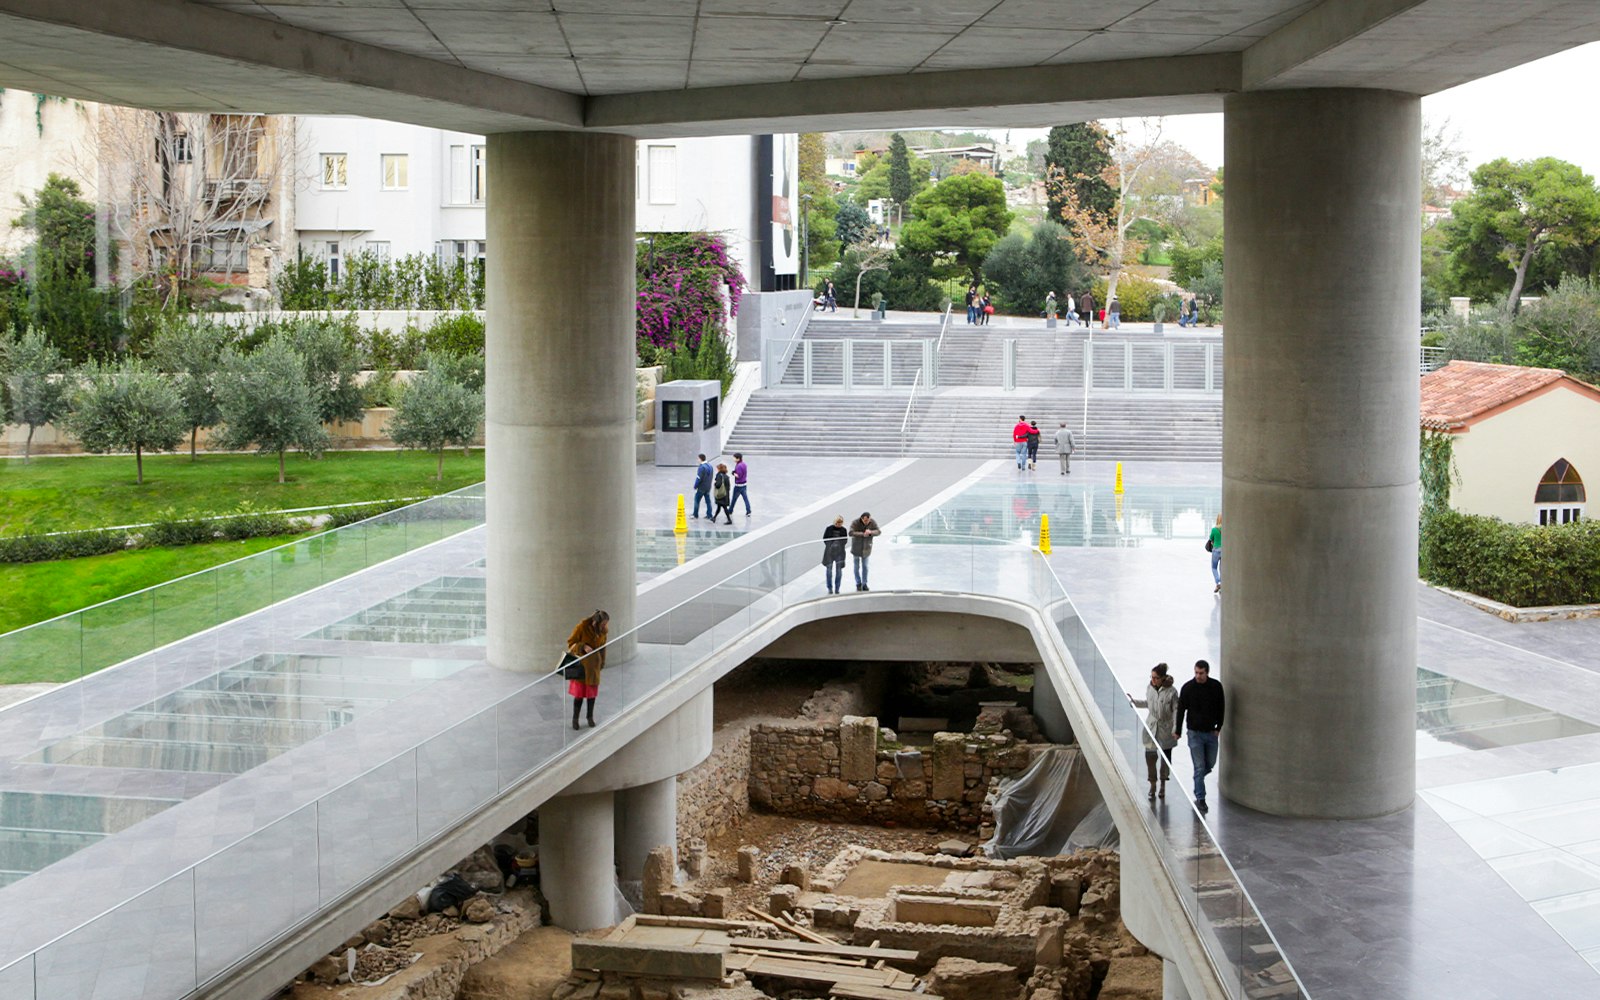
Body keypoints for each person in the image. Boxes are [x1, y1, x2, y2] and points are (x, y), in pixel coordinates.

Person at [1175, 659, 1224, 813]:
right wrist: (1178, 730)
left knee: (1210, 763)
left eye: (1201, 673)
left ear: (1207, 672)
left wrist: (1218, 728)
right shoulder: (1188, 688)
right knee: (1199, 766)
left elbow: (1221, 707)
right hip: (1194, 734)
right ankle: (1201, 798)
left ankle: (1198, 778)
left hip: (1211, 733)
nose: (1198, 676)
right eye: (1196, 672)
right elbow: (1181, 710)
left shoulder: (1216, 687)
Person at [566, 609, 609, 729]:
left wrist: (602, 663)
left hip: (594, 667)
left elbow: (603, 648)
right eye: (603, 624)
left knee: (591, 695)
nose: (605, 626)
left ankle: (590, 717)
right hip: (581, 666)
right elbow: (571, 642)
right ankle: (575, 719)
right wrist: (583, 646)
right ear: (596, 622)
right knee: (579, 695)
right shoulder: (582, 627)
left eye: (606, 624)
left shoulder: (603, 631)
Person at [1144, 663, 1179, 800]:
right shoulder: (1150, 688)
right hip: (1151, 727)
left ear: (1163, 678)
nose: (1153, 680)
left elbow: (1176, 711)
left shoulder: (1172, 692)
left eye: (1156, 678)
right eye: (1152, 677)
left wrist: (1176, 728)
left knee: (1165, 760)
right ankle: (1152, 784)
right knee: (1150, 758)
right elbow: (1148, 704)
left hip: (1166, 730)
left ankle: (1163, 785)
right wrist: (1134, 702)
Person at [849, 511, 880, 591]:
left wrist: (870, 532)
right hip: (856, 548)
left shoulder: (872, 522)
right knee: (856, 567)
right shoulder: (855, 522)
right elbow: (851, 532)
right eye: (865, 520)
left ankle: (864, 583)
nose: (867, 522)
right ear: (862, 519)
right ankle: (858, 583)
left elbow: (878, 531)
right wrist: (863, 534)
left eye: (868, 520)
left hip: (866, 549)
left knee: (865, 567)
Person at [821, 515, 848, 594]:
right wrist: (831, 546)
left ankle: (837, 588)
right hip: (829, 553)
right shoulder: (829, 528)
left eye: (840, 523)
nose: (839, 524)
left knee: (839, 571)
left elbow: (845, 541)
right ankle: (830, 588)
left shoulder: (843, 530)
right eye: (837, 523)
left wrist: (838, 545)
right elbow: (825, 539)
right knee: (829, 571)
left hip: (839, 553)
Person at [691, 454, 713, 519]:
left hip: (701, 487)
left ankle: (695, 514)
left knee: (697, 500)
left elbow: (698, 478)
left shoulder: (701, 467)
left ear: (700, 459)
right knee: (708, 501)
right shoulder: (710, 466)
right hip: (708, 487)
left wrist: (695, 486)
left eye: (698, 458)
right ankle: (709, 514)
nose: (697, 460)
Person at [731, 452, 751, 516]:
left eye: (734, 458)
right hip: (744, 484)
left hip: (738, 486)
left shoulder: (739, 466)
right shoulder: (744, 464)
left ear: (738, 458)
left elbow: (738, 476)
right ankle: (748, 511)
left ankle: (730, 510)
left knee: (734, 499)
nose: (733, 459)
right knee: (745, 499)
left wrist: (733, 473)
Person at [1208, 513, 1222, 593]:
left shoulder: (1214, 529)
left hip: (1216, 550)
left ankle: (1218, 583)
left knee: (1214, 568)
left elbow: (1211, 539)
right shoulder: (1227, 529)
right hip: (1225, 550)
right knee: (1222, 568)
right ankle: (1222, 584)